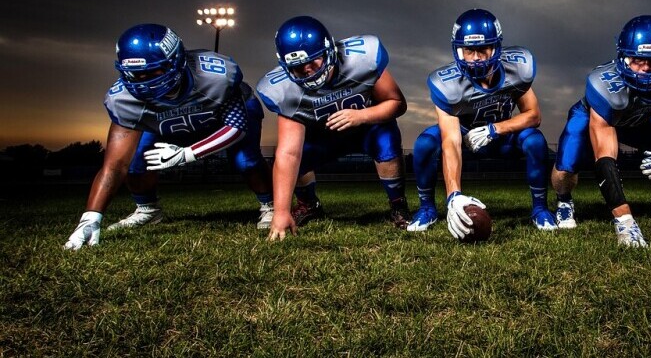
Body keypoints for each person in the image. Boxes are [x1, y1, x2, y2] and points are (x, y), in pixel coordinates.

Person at [64, 24, 274, 250]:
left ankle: (270, 205)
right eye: (136, 74)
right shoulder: (123, 100)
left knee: (246, 159)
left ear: (177, 61)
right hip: (166, 125)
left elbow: (236, 128)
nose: (144, 82)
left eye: (153, 72)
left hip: (220, 117)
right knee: (136, 161)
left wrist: (187, 154)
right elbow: (115, 166)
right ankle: (148, 210)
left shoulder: (216, 76)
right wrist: (91, 217)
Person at [550, 15, 651, 247]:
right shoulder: (604, 86)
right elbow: (605, 160)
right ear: (623, 58)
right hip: (599, 116)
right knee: (565, 167)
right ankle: (564, 201)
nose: (646, 69)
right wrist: (625, 220)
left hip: (641, 120)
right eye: (637, 60)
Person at [258, 16, 410, 241]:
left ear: (329, 50)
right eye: (298, 68)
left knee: (386, 137)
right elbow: (289, 152)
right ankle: (308, 204)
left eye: (314, 61)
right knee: (294, 157)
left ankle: (398, 204)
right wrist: (281, 211)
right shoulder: (283, 89)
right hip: (322, 137)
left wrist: (361, 115)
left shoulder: (363, 59)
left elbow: (397, 103)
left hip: (365, 128)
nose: (308, 71)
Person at [409, 8, 557, 239]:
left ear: (495, 48)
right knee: (425, 143)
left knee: (535, 141)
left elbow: (533, 115)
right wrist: (454, 195)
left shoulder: (516, 69)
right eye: (469, 51)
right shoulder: (447, 84)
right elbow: (450, 140)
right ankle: (427, 207)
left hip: (501, 136)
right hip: (464, 136)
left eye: (482, 50)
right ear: (458, 50)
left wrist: (495, 129)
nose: (476, 58)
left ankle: (540, 208)